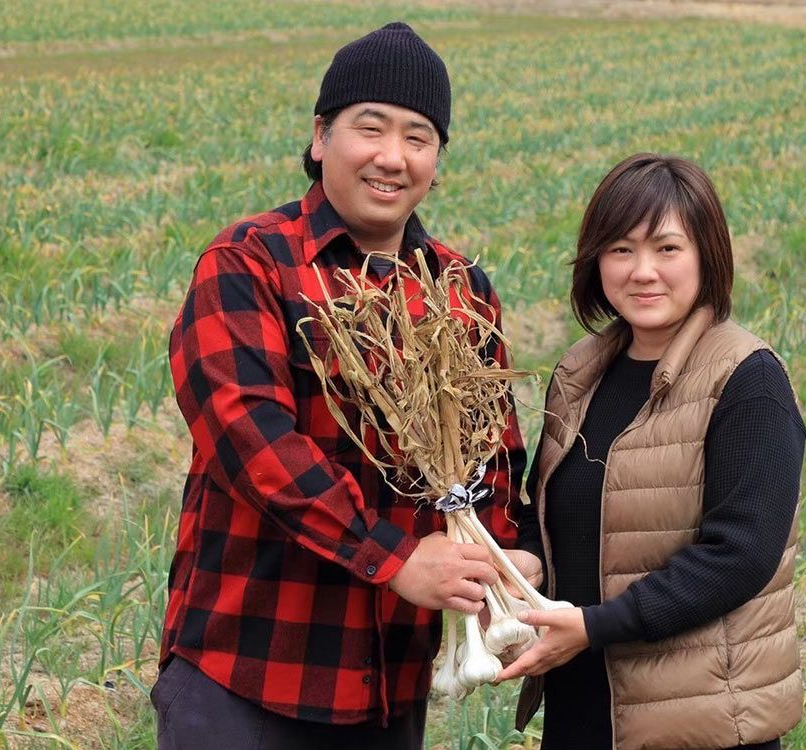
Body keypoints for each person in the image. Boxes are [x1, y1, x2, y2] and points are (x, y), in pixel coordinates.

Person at [154, 22, 531, 750]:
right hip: (247, 674)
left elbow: (493, 448)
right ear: (321, 136)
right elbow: (251, 440)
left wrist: (506, 558)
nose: (393, 156)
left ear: (437, 160)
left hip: (388, 687)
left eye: (418, 137)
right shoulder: (249, 263)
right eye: (371, 128)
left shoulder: (460, 288)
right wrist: (393, 557)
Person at [501, 154, 805, 750]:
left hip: (700, 720)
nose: (643, 272)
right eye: (621, 249)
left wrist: (594, 626)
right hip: (582, 704)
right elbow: (552, 511)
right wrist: (530, 564)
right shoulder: (580, 374)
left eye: (667, 248)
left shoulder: (747, 379)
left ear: (706, 255)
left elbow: (740, 555)